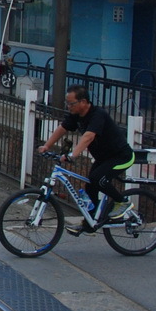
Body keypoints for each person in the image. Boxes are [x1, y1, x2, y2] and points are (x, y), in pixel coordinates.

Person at [37, 85, 135, 235]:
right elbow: (62, 128)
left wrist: (73, 155)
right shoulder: (76, 115)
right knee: (90, 187)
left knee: (98, 179)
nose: (68, 106)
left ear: (83, 102)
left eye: (71, 103)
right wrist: (46, 146)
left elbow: (88, 136)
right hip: (103, 158)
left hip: (121, 156)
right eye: (67, 103)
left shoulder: (98, 115)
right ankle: (90, 222)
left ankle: (122, 202)